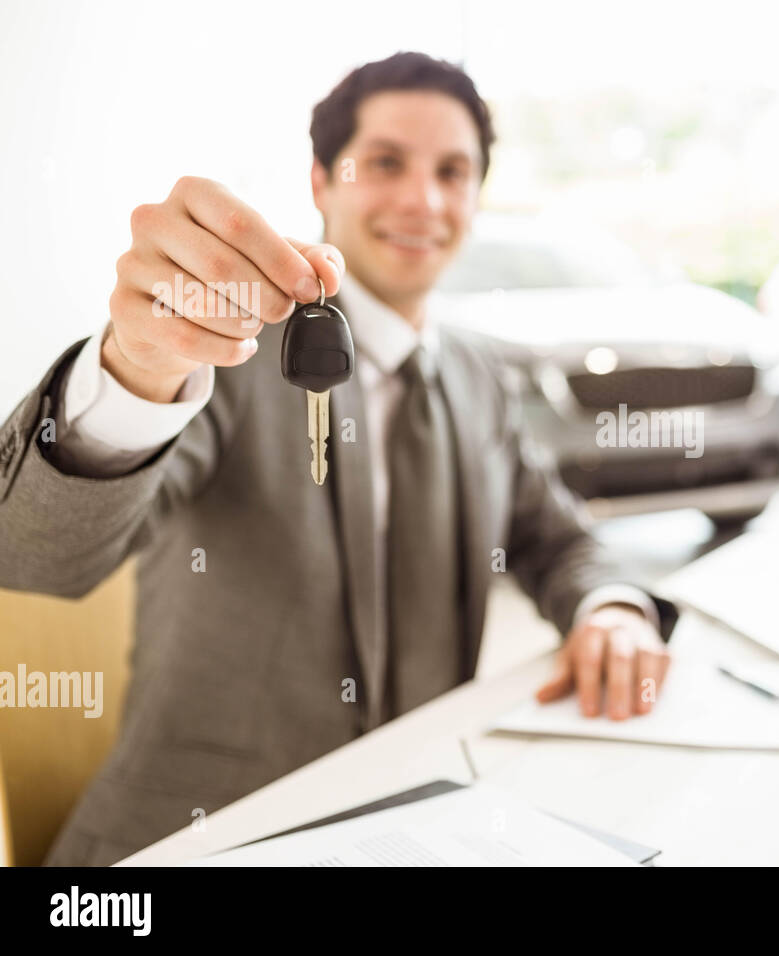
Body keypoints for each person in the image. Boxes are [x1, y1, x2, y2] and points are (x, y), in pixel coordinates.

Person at [0, 51, 676, 866]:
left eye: (452, 172)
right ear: (322, 181)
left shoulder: (479, 374)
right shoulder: (224, 349)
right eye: (385, 163)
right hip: (196, 840)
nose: (423, 200)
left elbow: (557, 540)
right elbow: (34, 553)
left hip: (422, 828)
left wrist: (611, 608)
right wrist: (136, 371)